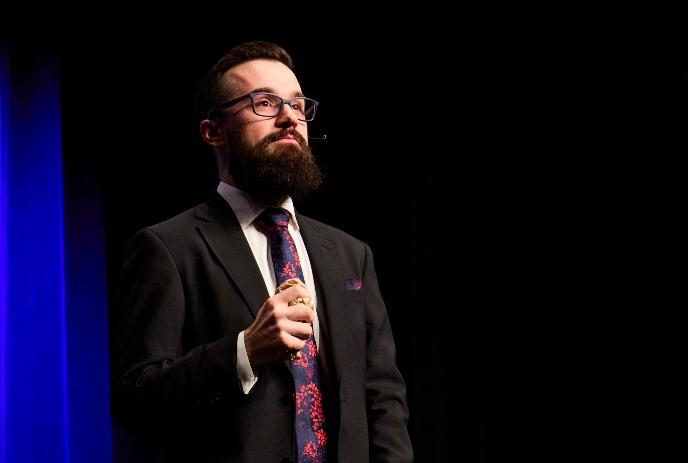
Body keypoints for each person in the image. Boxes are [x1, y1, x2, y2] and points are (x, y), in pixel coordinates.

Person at [111, 41, 413, 463]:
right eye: (265, 103)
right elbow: (135, 398)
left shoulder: (350, 254)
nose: (290, 117)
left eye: (297, 105)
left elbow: (382, 397)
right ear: (213, 132)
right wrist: (245, 350)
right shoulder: (167, 248)